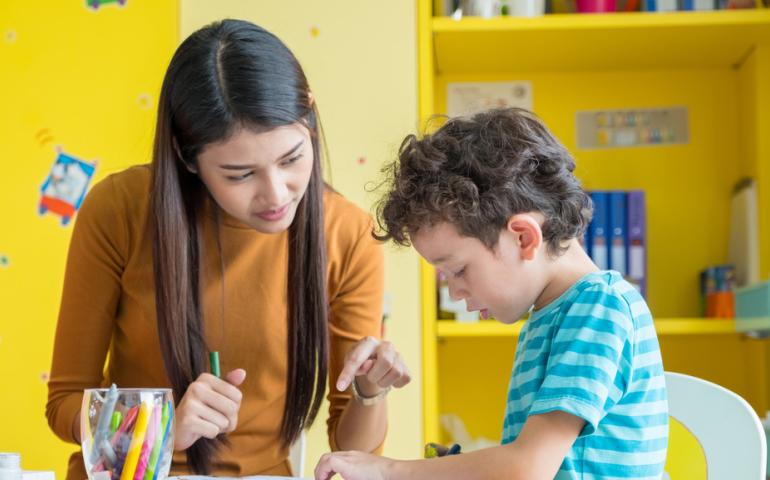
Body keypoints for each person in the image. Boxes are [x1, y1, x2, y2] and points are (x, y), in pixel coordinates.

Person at [46, 19, 411, 480]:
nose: (277, 195)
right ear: (186, 157)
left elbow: (351, 448)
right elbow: (64, 404)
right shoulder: (117, 210)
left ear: (311, 120)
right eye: (240, 174)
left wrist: (368, 391)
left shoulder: (348, 233)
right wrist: (160, 430)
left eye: (292, 158)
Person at [315, 108, 668, 480]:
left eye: (459, 270)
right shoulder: (553, 315)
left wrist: (391, 471)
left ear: (524, 237)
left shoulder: (598, 308)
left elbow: (528, 468)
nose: (454, 291)